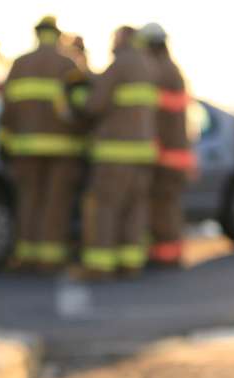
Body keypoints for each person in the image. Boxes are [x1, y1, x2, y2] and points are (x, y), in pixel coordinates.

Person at [0, 16, 82, 272]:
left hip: (25, 150)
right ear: (57, 36)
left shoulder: (20, 65)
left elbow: (7, 110)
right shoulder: (68, 65)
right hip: (63, 151)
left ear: (37, 34)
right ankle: (50, 257)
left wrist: (5, 144)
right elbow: (79, 108)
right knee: (55, 203)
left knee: (28, 200)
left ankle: (26, 255)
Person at [74, 26, 158, 279]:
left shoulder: (120, 64)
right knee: (135, 209)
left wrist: (78, 98)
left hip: (115, 154)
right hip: (143, 155)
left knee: (105, 207)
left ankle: (99, 266)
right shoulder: (149, 66)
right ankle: (130, 263)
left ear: (123, 39)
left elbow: (95, 104)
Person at [140, 23, 195, 268]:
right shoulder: (173, 70)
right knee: (168, 207)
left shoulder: (160, 72)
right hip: (176, 155)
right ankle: (168, 254)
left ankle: (166, 256)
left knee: (163, 208)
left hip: (166, 156)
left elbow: (156, 117)